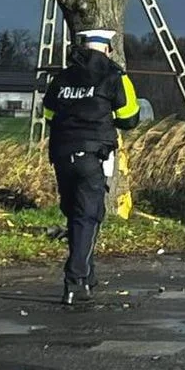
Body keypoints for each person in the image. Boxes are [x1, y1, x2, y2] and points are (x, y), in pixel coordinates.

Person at [43, 29, 141, 305]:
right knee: (88, 216)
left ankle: (88, 276)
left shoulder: (62, 77)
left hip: (61, 153)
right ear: (107, 49)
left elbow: (48, 113)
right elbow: (130, 118)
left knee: (74, 214)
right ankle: (75, 282)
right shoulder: (115, 76)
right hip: (93, 155)